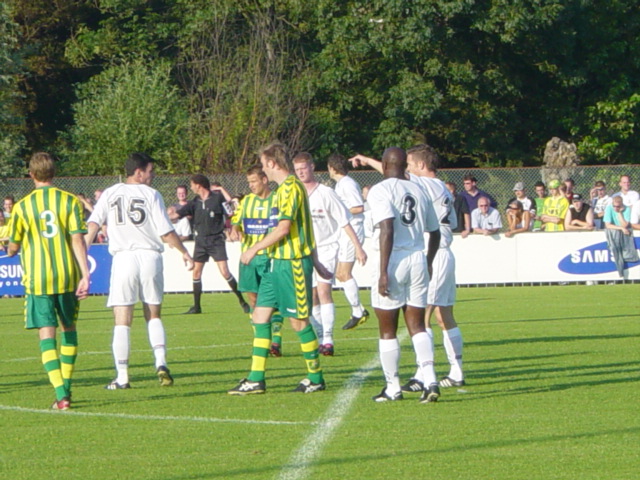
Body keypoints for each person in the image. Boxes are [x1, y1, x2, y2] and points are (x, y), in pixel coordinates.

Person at [228, 142, 332, 395]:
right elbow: (304, 227)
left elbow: (285, 228)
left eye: (264, 164)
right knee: (260, 316)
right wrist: (317, 260)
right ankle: (255, 379)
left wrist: (253, 249)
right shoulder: (284, 189)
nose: (263, 168)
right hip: (276, 264)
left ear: (272, 164)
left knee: (298, 322)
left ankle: (315, 377)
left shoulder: (290, 189)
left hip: (291, 264)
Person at [85, 152, 194, 389]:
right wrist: (184, 252)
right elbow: (166, 232)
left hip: (124, 258)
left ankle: (122, 377)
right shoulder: (152, 194)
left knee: (122, 320)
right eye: (150, 171)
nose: (152, 175)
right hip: (150, 258)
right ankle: (161, 362)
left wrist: (83, 250)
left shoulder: (111, 192)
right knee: (153, 314)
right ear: (138, 172)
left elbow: (93, 223)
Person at [352, 147, 441, 403]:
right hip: (417, 258)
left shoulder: (381, 190)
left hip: (394, 259)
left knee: (387, 329)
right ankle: (431, 379)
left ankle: (393, 387)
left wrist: (382, 272)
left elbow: (387, 228)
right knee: (418, 324)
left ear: (383, 164)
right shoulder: (419, 190)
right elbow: (435, 232)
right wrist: (428, 261)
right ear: (405, 165)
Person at [7, 152, 90, 410]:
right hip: (67, 275)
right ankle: (66, 386)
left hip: (38, 279)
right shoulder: (69, 201)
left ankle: (61, 393)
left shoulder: (22, 206)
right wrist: (85, 274)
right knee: (69, 329)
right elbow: (78, 239)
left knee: (47, 334)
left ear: (31, 175)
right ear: (54, 173)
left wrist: (10, 248)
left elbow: (13, 247)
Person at [294, 152, 367, 355]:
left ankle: (328, 339)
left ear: (312, 167)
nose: (301, 173)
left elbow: (344, 221)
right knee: (311, 295)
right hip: (303, 250)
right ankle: (319, 336)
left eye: (304, 168)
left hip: (326, 248)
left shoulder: (326, 192)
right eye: (297, 170)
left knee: (324, 291)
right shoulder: (295, 193)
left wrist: (358, 248)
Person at [172, 174, 249, 314]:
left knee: (225, 272)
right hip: (200, 241)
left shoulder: (217, 198)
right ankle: (197, 307)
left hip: (216, 240)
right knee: (196, 272)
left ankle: (242, 301)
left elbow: (231, 211)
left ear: (198, 185)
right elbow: (176, 216)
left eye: (192, 184)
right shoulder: (194, 202)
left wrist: (233, 228)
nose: (191, 187)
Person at [230, 165, 285, 357]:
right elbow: (236, 220)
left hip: (269, 257)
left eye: (254, 181)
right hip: (248, 258)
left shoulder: (277, 200)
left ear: (264, 180)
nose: (251, 185)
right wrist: (235, 229)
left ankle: (275, 341)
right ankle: (261, 340)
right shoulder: (246, 202)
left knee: (273, 301)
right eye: (249, 182)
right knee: (253, 299)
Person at [327, 154, 370, 330]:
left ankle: (358, 312)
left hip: (353, 230)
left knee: (344, 273)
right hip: (346, 231)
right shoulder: (341, 184)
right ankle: (358, 310)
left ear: (332, 168)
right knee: (340, 273)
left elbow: (359, 206)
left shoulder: (347, 184)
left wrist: (339, 212)